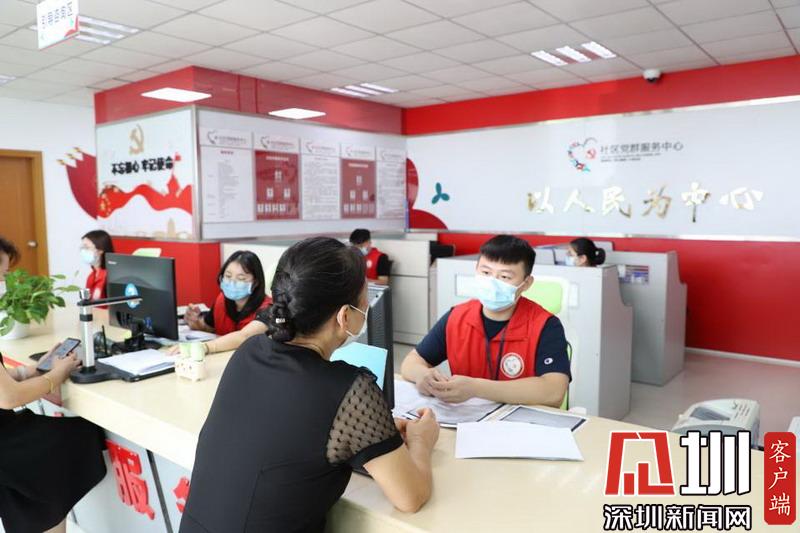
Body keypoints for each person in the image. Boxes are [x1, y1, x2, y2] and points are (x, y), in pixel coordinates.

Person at [180, 237, 439, 533]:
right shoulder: (351, 390)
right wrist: (421, 441)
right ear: (344, 316)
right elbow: (410, 497)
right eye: (364, 302)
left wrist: (377, 428)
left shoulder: (249, 352)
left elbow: (289, 427)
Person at [401, 235, 571, 407]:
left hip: (520, 420)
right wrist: (421, 374)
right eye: (486, 273)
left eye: (504, 277)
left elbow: (554, 391)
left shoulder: (545, 325)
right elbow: (412, 361)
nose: (493, 282)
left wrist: (476, 388)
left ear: (526, 283)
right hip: (465, 417)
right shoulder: (457, 317)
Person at [0, 342, 106, 532]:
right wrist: (58, 373)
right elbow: (10, 397)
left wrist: (32, 371)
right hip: (9, 449)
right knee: (81, 433)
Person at [180, 251, 272, 355]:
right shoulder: (222, 300)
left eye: (241, 278)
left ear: (255, 283)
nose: (232, 282)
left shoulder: (269, 309)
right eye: (228, 276)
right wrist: (194, 321)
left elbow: (244, 337)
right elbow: (209, 327)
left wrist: (204, 347)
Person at [81, 229, 115, 300]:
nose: (83, 251)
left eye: (86, 247)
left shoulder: (110, 276)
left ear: (100, 250)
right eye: (82, 247)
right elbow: (88, 302)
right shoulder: (91, 276)